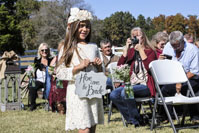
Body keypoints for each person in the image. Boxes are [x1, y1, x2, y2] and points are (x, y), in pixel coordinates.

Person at [56, 7, 104, 132]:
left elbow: (101, 72)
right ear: (73, 27)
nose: (84, 29)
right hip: (78, 94)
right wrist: (78, 67)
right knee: (85, 128)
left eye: (87, 26)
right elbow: (59, 72)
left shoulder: (93, 47)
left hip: (93, 89)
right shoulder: (67, 48)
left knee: (92, 127)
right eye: (81, 26)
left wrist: (99, 66)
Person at [110, 27, 157, 127]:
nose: (135, 37)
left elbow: (150, 68)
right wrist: (126, 48)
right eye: (133, 36)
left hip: (145, 85)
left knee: (125, 92)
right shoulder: (131, 52)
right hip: (132, 83)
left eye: (138, 35)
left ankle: (136, 121)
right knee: (113, 94)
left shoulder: (150, 51)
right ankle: (136, 118)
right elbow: (120, 66)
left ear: (143, 37)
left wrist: (140, 50)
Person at [159, 31, 199, 123]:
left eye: (177, 46)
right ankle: (166, 116)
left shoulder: (193, 50)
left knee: (189, 88)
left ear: (182, 42)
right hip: (172, 77)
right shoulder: (168, 47)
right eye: (173, 46)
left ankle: (195, 116)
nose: (174, 48)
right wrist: (160, 61)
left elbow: (194, 71)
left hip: (190, 77)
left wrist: (181, 80)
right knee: (164, 89)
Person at [29, 43, 53, 111]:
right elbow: (33, 69)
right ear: (40, 51)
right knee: (32, 85)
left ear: (48, 51)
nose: (44, 52)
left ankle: (51, 104)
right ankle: (32, 105)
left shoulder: (51, 59)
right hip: (39, 80)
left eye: (46, 50)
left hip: (48, 79)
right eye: (42, 50)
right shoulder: (36, 59)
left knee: (49, 85)